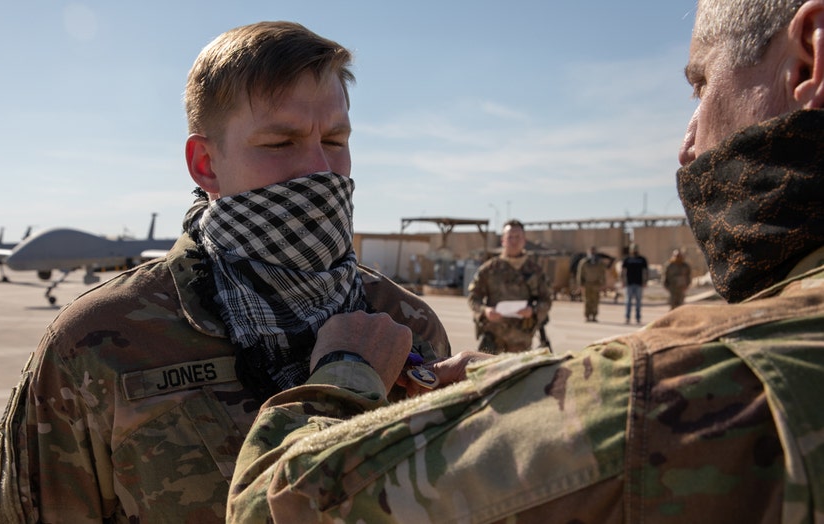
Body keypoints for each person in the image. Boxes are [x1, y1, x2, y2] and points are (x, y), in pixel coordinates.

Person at [225, 1, 824, 521]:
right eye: (280, 143)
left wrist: (348, 370)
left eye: (701, 85)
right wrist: (502, 379)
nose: (688, 143)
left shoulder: (673, 388)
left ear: (807, 60)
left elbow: (269, 507)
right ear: (206, 165)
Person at [0, 21, 450, 524]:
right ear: (205, 164)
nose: (320, 170)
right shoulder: (99, 344)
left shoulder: (404, 321)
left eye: (335, 140)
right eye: (280, 142)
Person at [466, 219, 552, 353]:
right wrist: (485, 311)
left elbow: (546, 300)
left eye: (518, 237)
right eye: (510, 237)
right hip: (492, 339)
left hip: (521, 340)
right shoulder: (489, 269)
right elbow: (473, 298)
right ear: (503, 240)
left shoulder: (535, 271)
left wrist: (533, 311)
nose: (514, 241)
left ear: (524, 240)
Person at [576, 246, 607, 321]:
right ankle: (587, 316)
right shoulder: (584, 262)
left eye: (594, 251)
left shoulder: (599, 262)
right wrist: (580, 284)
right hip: (587, 284)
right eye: (591, 251)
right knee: (587, 300)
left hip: (596, 284)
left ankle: (594, 316)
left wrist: (603, 283)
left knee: (595, 300)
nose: (592, 253)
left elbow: (603, 273)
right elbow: (580, 273)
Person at [620, 244, 649, 323]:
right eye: (633, 250)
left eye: (635, 249)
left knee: (638, 302)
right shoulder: (627, 259)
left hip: (639, 283)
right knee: (628, 301)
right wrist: (622, 281)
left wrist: (645, 281)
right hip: (629, 283)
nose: (634, 251)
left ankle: (638, 317)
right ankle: (627, 317)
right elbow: (622, 271)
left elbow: (646, 272)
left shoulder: (642, 259)